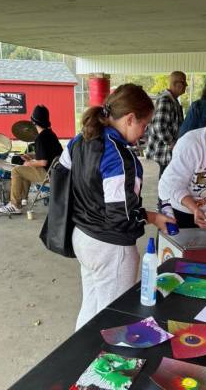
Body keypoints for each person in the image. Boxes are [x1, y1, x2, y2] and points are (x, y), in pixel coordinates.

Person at [59, 84, 175, 330]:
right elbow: (121, 216)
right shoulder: (119, 157)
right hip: (110, 248)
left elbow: (60, 176)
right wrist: (151, 216)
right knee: (112, 320)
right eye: (144, 125)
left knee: (91, 307)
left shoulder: (80, 140)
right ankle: (100, 365)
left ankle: (80, 358)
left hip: (82, 236)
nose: (143, 133)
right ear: (130, 118)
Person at [0, 105, 62, 215]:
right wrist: (31, 156)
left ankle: (15, 205)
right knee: (25, 168)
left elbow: (43, 162)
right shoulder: (51, 134)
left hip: (48, 174)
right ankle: (23, 199)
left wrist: (29, 162)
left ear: (33, 122)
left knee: (16, 170)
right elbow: (47, 155)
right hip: (57, 172)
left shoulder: (40, 138)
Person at [145, 71, 187, 178]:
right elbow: (159, 126)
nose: (186, 86)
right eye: (184, 83)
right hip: (162, 154)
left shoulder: (173, 101)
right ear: (175, 84)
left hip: (165, 154)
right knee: (165, 186)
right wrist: (172, 143)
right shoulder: (166, 100)